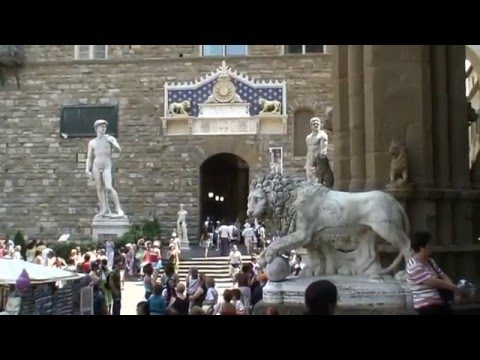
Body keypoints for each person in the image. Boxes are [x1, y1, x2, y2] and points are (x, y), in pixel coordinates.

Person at [406, 231, 468, 315]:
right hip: (426, 305)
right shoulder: (413, 265)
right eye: (429, 244)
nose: (432, 247)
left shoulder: (430, 261)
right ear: (422, 247)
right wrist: (455, 288)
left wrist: (454, 290)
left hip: (441, 302)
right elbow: (432, 282)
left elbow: (442, 275)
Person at [85, 119, 124, 218]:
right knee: (99, 188)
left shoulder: (109, 138)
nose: (104, 129)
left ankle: (118, 209)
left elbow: (119, 149)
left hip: (106, 163)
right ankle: (103, 209)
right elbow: (89, 157)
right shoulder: (92, 142)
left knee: (108, 186)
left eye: (105, 127)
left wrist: (113, 143)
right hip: (96, 164)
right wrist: (87, 170)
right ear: (97, 128)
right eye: (102, 127)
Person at [305, 116, 328, 184]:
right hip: (310, 159)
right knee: (309, 178)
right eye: (314, 124)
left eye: (317, 124)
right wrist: (307, 162)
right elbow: (309, 150)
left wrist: (320, 162)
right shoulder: (308, 137)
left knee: (318, 179)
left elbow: (323, 150)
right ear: (311, 126)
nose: (316, 125)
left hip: (318, 159)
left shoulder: (322, 135)